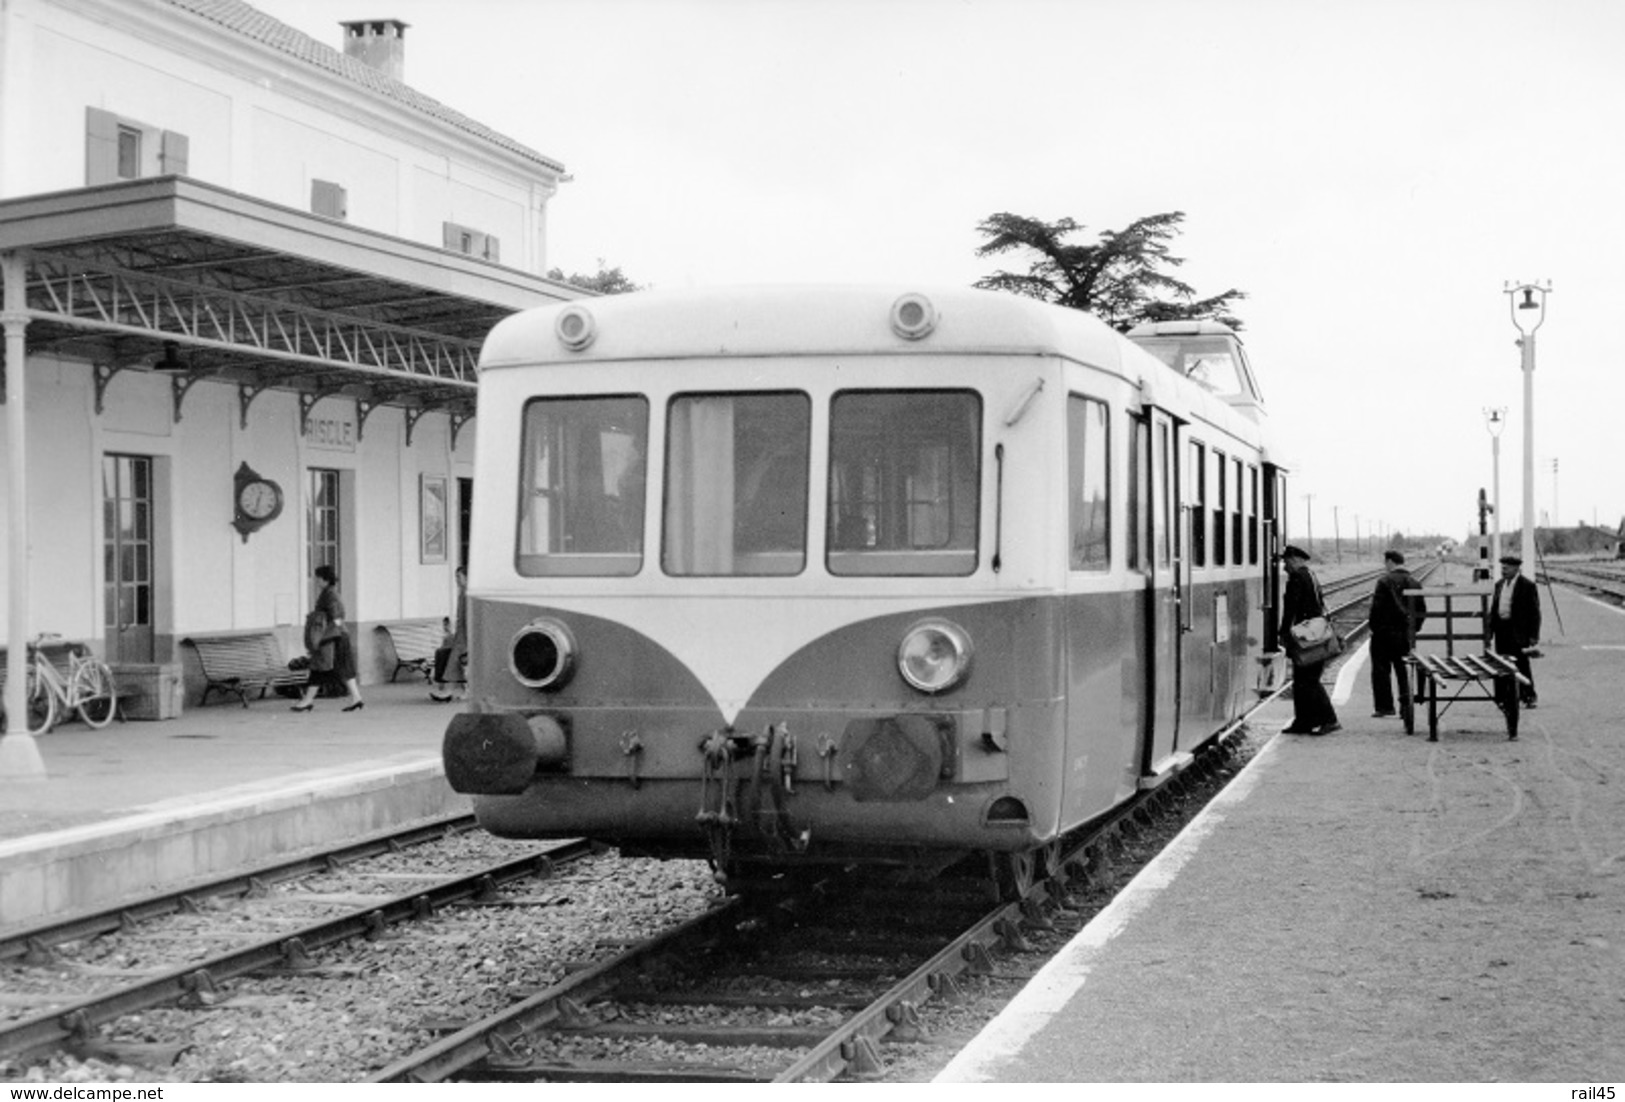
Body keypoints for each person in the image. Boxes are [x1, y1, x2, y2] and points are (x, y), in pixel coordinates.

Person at [1279, 544, 1340, 735]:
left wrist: (1283, 633)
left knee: (1308, 680)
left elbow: (1291, 607)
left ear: (1295, 559)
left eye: (1286, 561)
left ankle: (1330, 720)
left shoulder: (1297, 577)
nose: (1284, 566)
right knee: (1303, 680)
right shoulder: (1311, 575)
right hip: (1315, 631)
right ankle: (1303, 722)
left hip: (1305, 635)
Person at [293, 564, 364, 712]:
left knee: (319, 668)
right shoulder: (328, 593)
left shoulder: (330, 595)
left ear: (325, 579)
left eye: (318, 578)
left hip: (333, 638)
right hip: (337, 637)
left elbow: (338, 617)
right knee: (342, 668)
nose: (316, 581)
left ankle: (307, 700)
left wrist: (322, 636)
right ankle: (356, 698)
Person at [1368, 550, 1428, 718]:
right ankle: (1405, 706)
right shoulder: (1415, 582)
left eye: (1385, 562)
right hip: (1404, 634)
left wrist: (1375, 628)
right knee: (1403, 669)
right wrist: (1414, 629)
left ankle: (1385, 707)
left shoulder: (1384, 581)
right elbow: (1421, 610)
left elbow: (1376, 609)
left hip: (1383, 633)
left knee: (1381, 671)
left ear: (1390, 562)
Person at [1487, 553, 1541, 719]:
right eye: (1502, 567)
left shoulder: (1527, 586)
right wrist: (1489, 631)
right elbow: (1494, 609)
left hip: (1518, 630)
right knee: (1502, 662)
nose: (1503, 570)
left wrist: (1533, 635)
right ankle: (1504, 697)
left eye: (1507, 568)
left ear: (1516, 568)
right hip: (1501, 629)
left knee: (1521, 663)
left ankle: (1528, 696)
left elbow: (1534, 612)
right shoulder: (1499, 585)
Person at [430, 566, 468, 703]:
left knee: (455, 662)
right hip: (461, 635)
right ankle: (458, 690)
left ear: (466, 578)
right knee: (457, 662)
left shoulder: (467, 595)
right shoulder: (463, 593)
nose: (456, 580)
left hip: (465, 636)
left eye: (459, 577)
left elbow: (467, 618)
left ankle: (448, 691)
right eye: (456, 577)